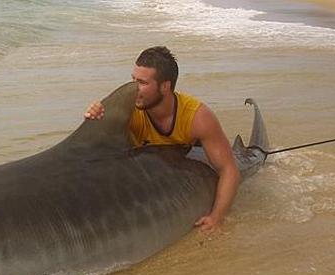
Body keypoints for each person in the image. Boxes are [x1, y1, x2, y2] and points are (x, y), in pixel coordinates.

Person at [84, 46, 241, 232]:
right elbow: (94, 152)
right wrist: (95, 119)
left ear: (165, 86)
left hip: (184, 161)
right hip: (148, 169)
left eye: (142, 82)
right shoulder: (127, 110)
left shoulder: (197, 117)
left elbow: (229, 170)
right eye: (132, 80)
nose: (134, 89)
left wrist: (217, 217)